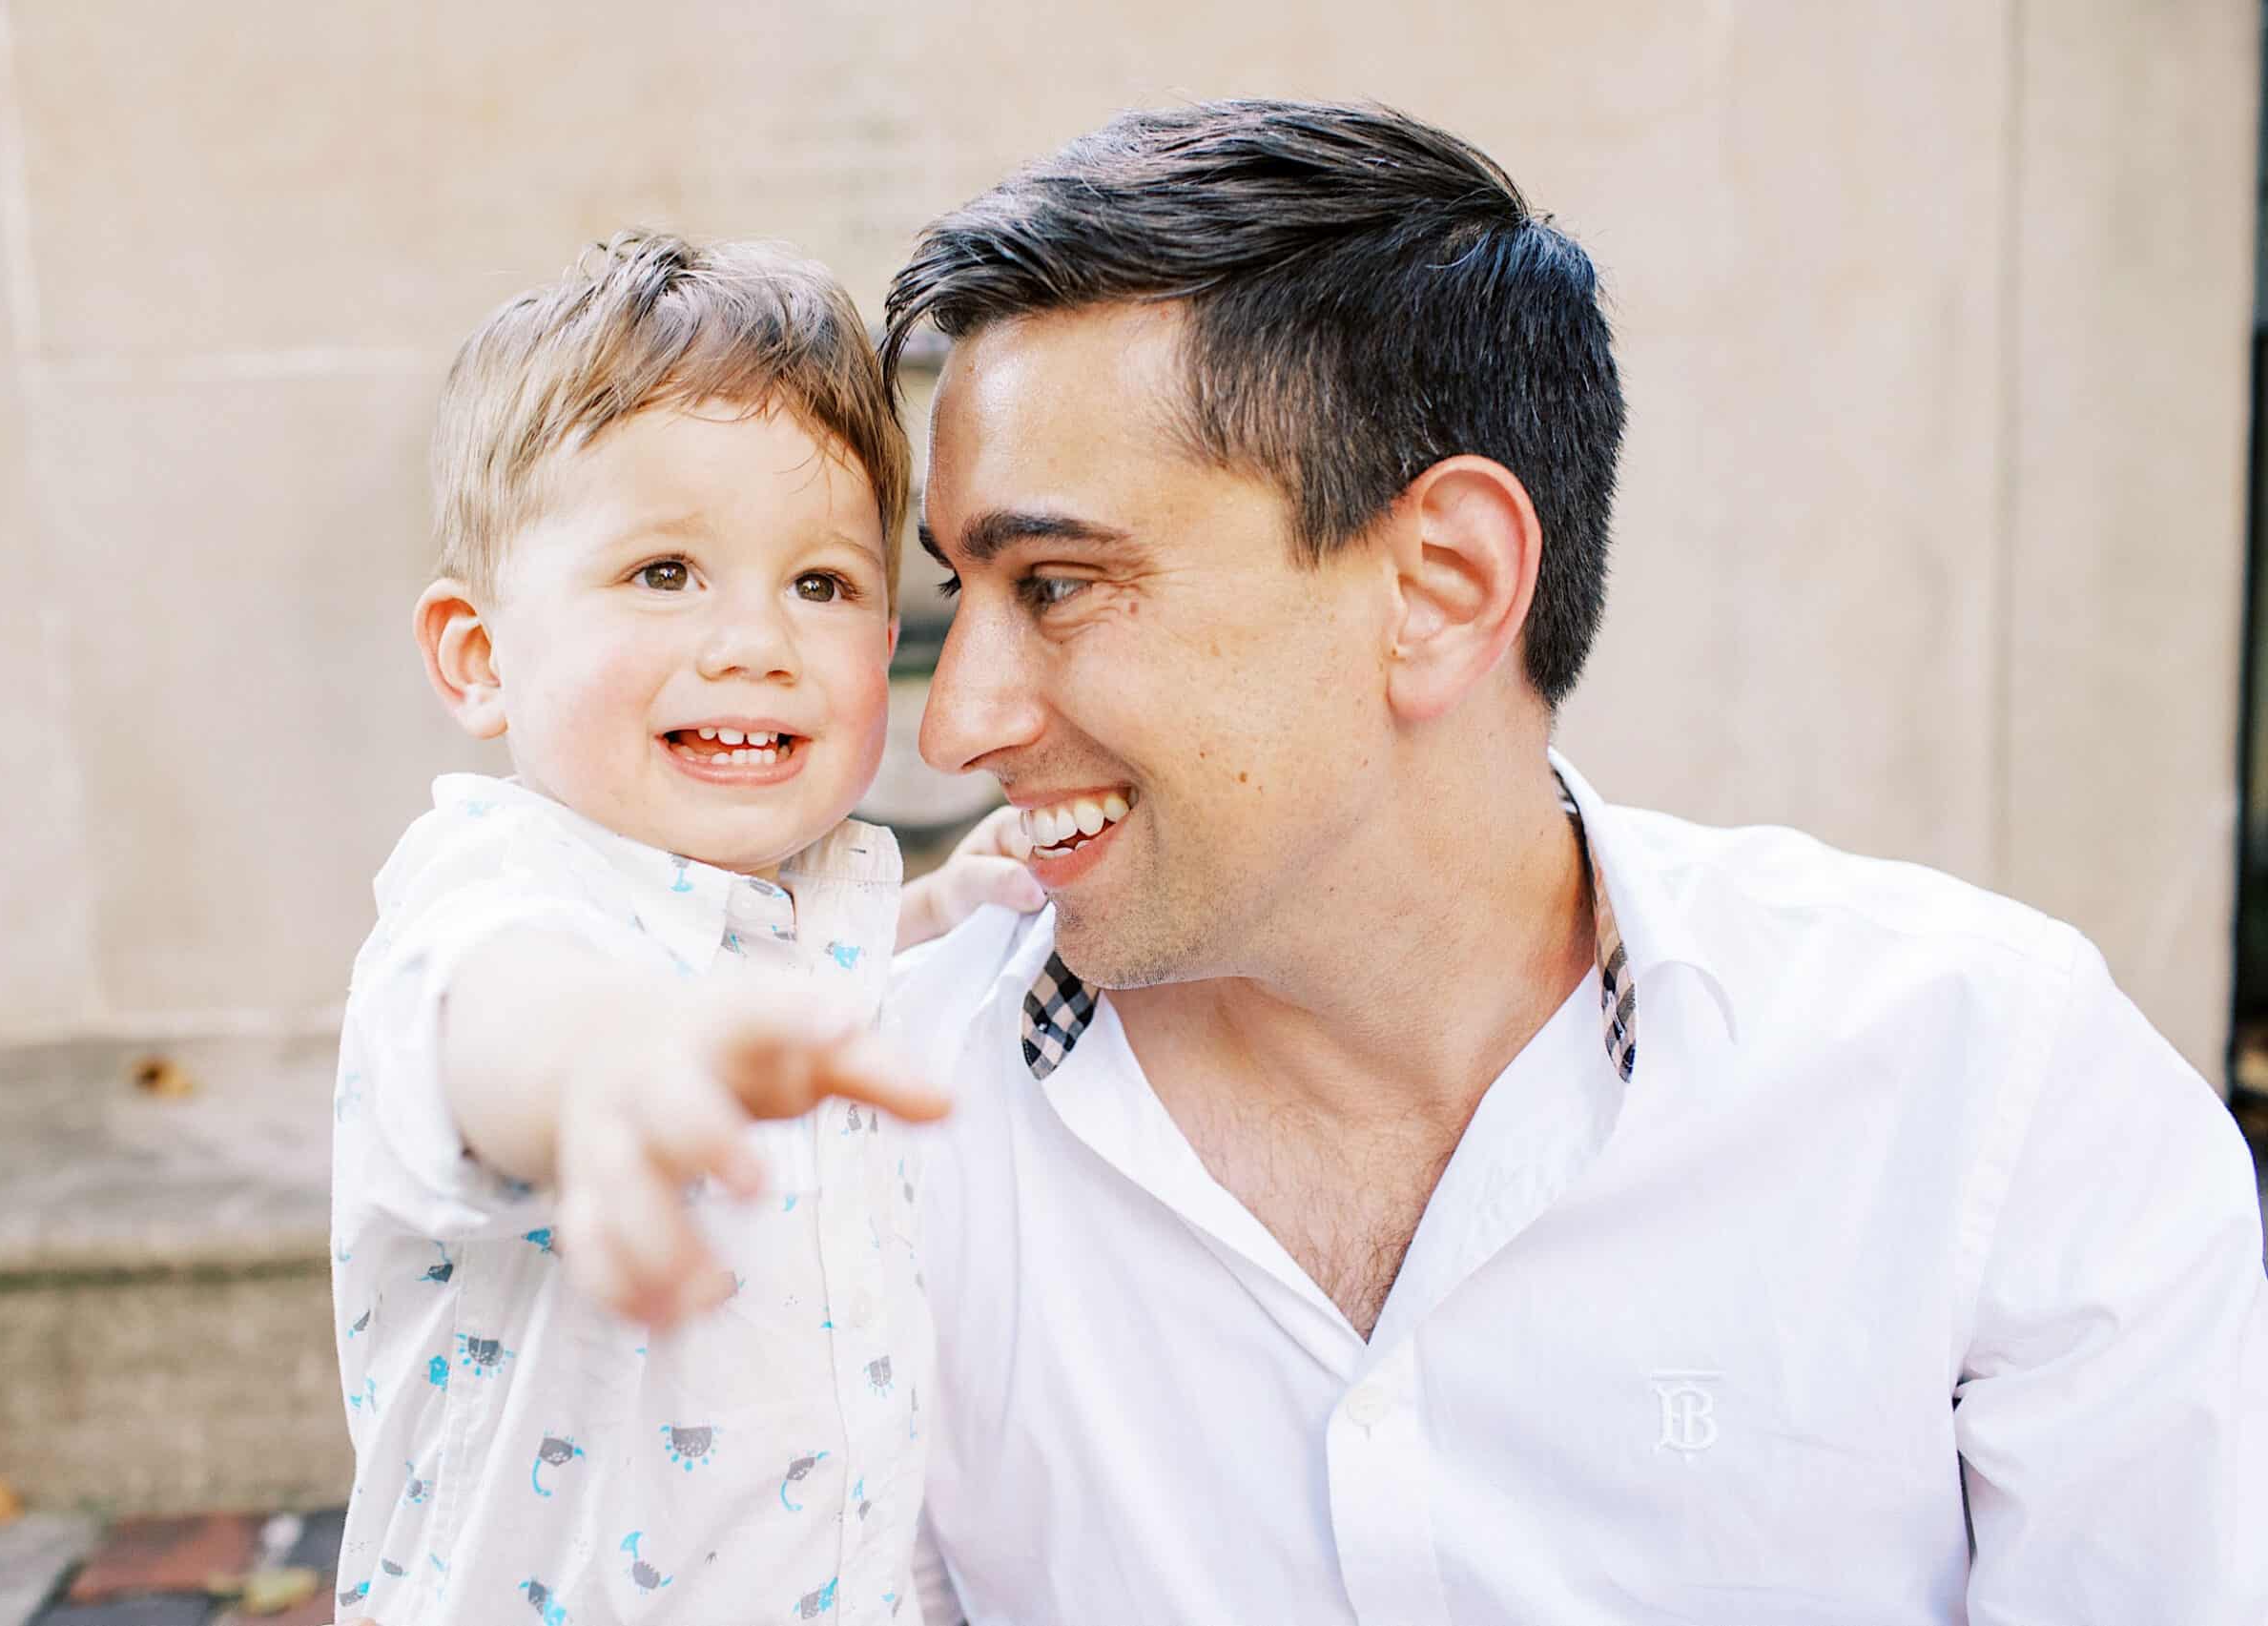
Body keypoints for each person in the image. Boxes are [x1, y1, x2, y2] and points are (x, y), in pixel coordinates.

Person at [879, 100, 2268, 1623]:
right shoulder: (877, 1128)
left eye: (1060, 583)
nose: (957, 724)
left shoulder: (1998, 1099)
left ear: (1445, 585)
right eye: (965, 590)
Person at [327, 229, 1031, 1625]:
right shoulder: (490, 886)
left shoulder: (823, 896)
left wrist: (946, 909)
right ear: (481, 655)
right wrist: (607, 1065)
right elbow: (504, 1014)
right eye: (665, 573)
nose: (753, 641)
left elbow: (800, 998)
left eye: (821, 584)